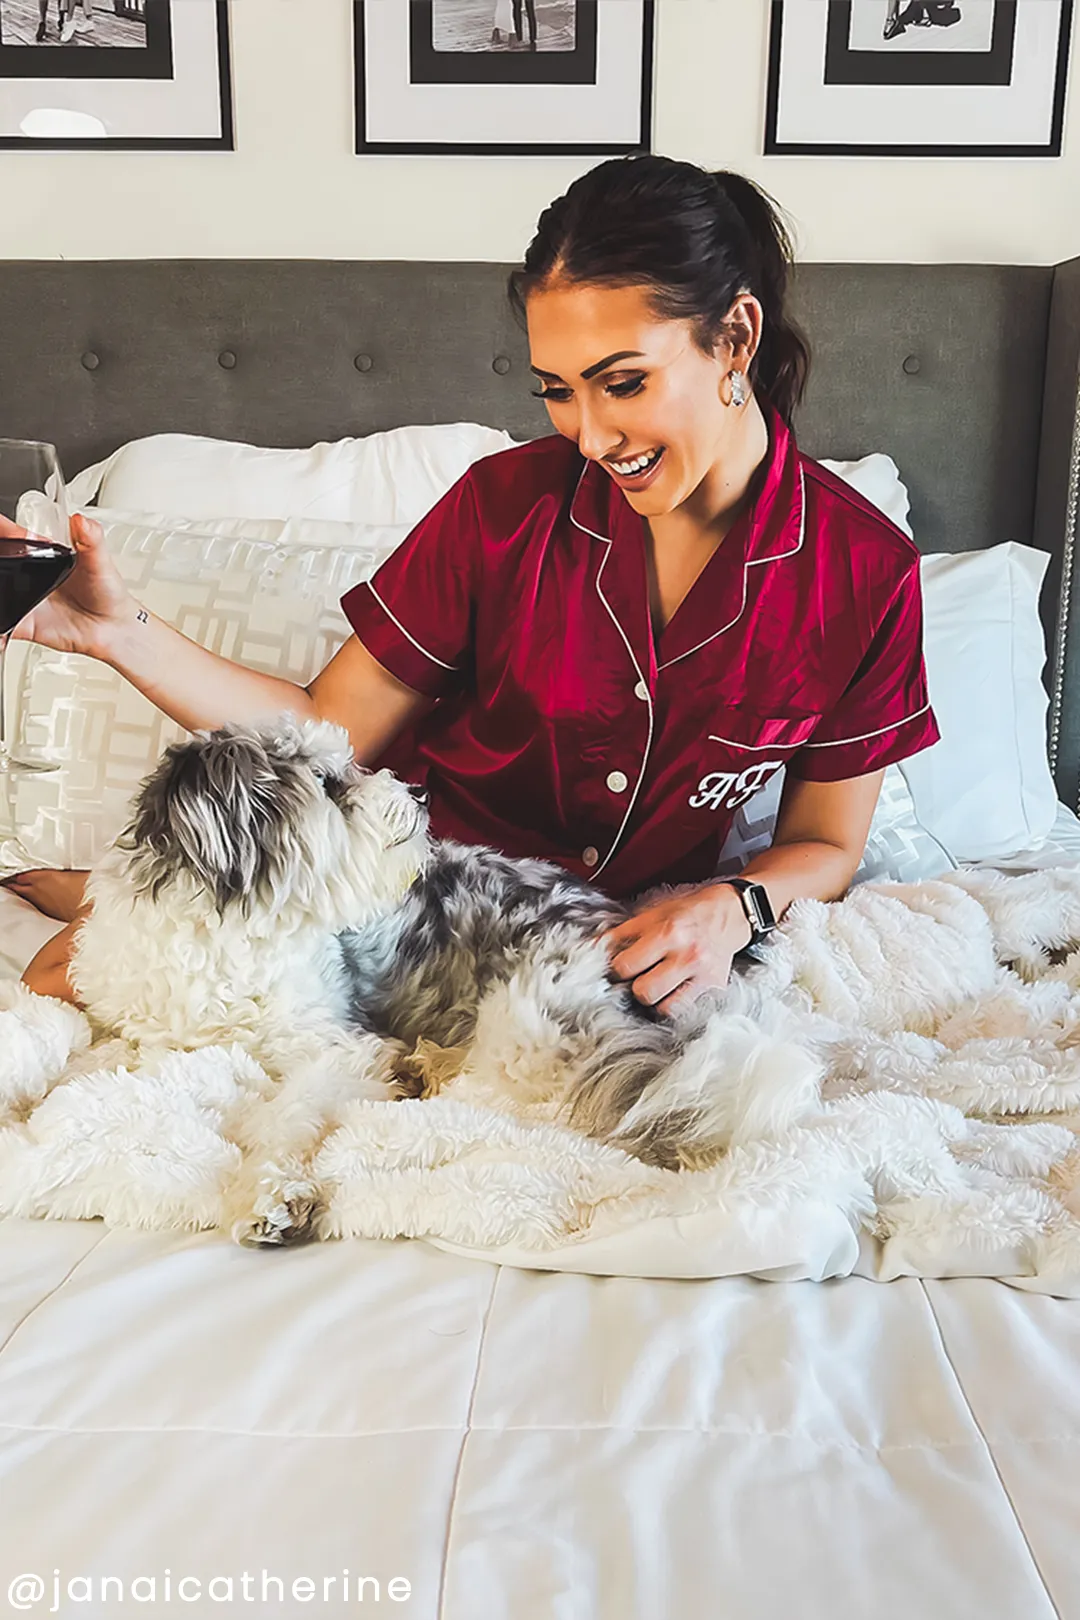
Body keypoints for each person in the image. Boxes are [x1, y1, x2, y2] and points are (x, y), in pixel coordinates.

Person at [4, 154, 939, 1017]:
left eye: (622, 382)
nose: (589, 435)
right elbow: (325, 730)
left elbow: (826, 843)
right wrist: (116, 632)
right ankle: (114, 888)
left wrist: (735, 907)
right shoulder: (507, 504)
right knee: (62, 980)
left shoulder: (865, 572)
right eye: (557, 390)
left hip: (596, 948)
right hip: (398, 893)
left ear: (735, 335)